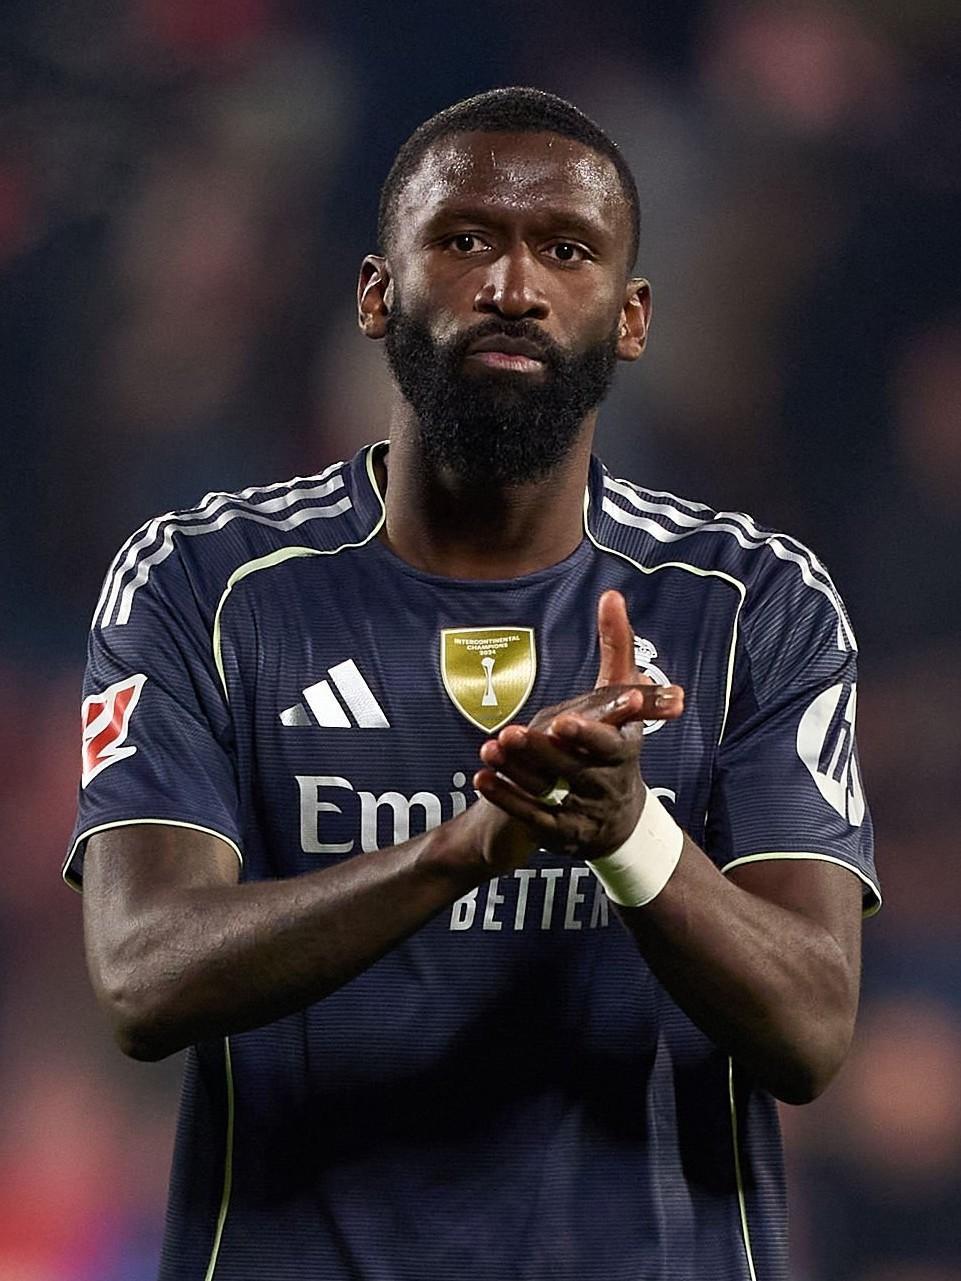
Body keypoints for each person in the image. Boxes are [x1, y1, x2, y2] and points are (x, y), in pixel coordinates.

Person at [66, 88, 878, 1281]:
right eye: (463, 238)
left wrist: (625, 833)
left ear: (631, 316)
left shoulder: (750, 604)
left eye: (567, 250)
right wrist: (462, 850)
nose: (512, 285)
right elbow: (143, 977)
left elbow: (810, 1030)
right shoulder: (204, 585)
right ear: (375, 292)